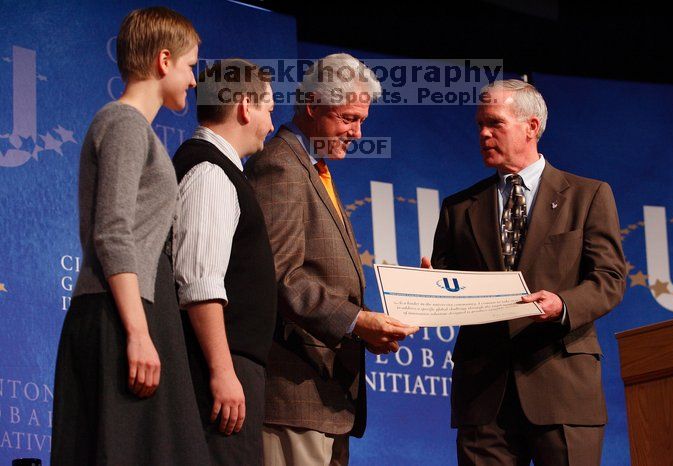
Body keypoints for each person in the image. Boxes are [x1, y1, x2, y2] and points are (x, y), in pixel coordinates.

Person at [426, 79, 626, 466]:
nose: (483, 134)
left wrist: (562, 304)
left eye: (495, 123)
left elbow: (609, 278)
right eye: (479, 125)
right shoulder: (459, 207)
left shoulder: (588, 195)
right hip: (484, 396)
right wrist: (432, 285)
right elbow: (451, 285)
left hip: (563, 386)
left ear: (531, 127)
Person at [51, 7, 209, 465]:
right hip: (121, 313)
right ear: (164, 61)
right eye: (190, 66)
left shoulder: (135, 129)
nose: (194, 80)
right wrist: (137, 333)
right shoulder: (123, 122)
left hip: (138, 305)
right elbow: (113, 231)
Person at [245, 53, 419, 465]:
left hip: (327, 399)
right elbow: (282, 277)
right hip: (294, 394)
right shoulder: (281, 167)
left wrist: (366, 328)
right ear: (312, 105)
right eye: (348, 118)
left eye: (362, 120)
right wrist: (357, 322)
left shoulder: (314, 168)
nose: (357, 133)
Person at [171, 59, 277, 465]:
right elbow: (199, 282)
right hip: (215, 369)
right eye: (269, 108)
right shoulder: (211, 173)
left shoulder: (218, 170)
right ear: (245, 107)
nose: (270, 123)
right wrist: (222, 372)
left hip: (225, 365)